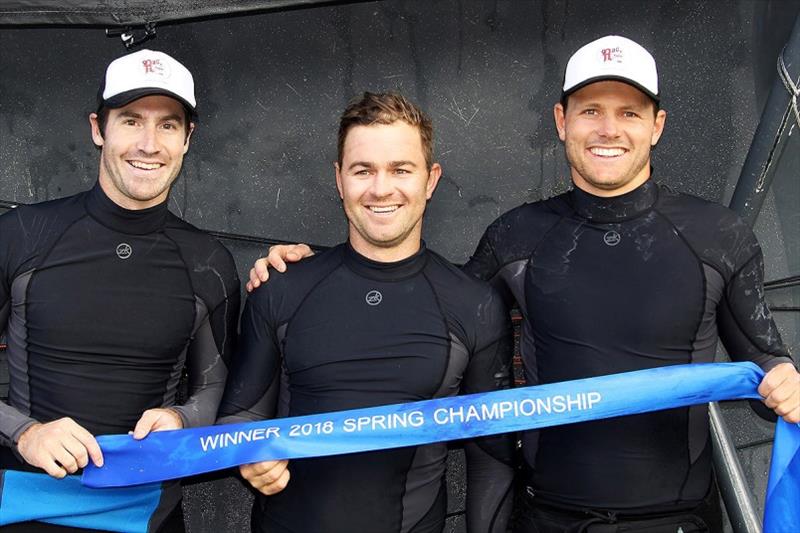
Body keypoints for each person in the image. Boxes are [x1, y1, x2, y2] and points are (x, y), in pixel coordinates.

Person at [250, 36, 799, 532]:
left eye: (628, 113)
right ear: (561, 120)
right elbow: (416, 302)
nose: (608, 129)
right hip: (548, 519)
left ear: (656, 125)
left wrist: (786, 383)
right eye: (590, 111)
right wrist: (309, 268)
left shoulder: (717, 235)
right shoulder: (517, 236)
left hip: (680, 522)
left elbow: (769, 368)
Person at [217, 92, 514, 533]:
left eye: (400, 169)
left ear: (430, 181)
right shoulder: (283, 289)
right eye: (363, 170)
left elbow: (492, 458)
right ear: (339, 180)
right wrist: (247, 451)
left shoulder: (475, 304)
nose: (380, 188)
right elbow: (239, 416)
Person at [0, 49, 240, 532]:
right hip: (24, 505)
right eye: (131, 120)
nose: (149, 144)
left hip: (146, 514)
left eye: (168, 125)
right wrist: (24, 432)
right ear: (98, 128)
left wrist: (181, 419)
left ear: (188, 139)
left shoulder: (208, 261)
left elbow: (215, 386)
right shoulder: (22, 235)